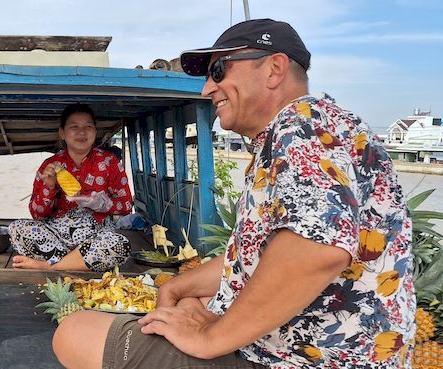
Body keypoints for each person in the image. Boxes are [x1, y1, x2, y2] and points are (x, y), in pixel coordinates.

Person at [52, 19, 415, 369]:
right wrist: (179, 286)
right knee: (186, 301)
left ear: (274, 69)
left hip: (299, 359)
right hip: (291, 345)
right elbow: (258, 255)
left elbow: (316, 249)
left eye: (219, 71)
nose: (207, 89)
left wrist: (210, 337)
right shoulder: (311, 129)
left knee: (75, 333)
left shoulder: (301, 125)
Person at [9, 104, 133, 272]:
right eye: (74, 127)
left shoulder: (109, 162)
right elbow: (37, 214)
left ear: (95, 132)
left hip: (96, 235)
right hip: (58, 235)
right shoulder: (49, 165)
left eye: (88, 126)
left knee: (119, 244)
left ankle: (49, 265)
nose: (82, 132)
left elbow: (126, 206)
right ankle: (77, 262)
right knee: (17, 229)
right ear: (62, 133)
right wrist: (49, 188)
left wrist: (100, 203)